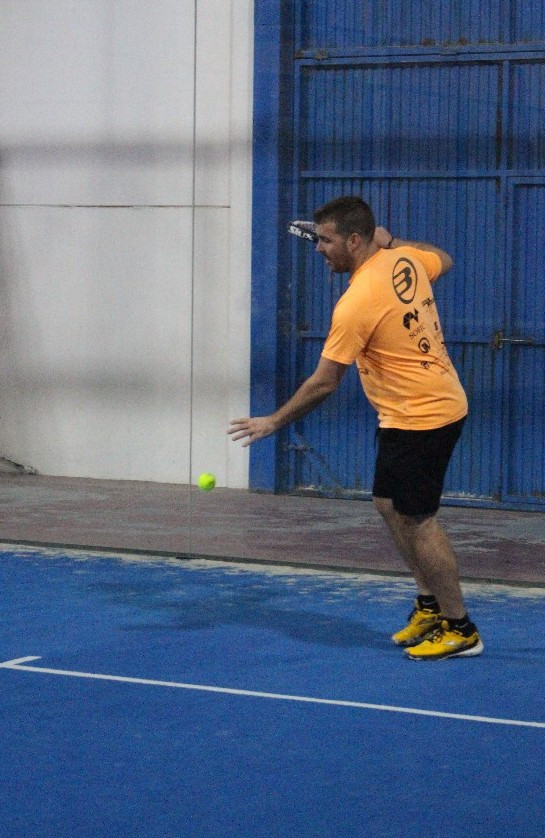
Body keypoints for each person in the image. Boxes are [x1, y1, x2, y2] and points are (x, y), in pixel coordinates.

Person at [229, 196, 483, 661]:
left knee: (418, 520)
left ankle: (460, 627)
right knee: (388, 505)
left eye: (326, 241)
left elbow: (324, 382)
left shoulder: (356, 302)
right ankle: (429, 605)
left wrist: (273, 421)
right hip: (402, 412)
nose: (318, 249)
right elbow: (444, 259)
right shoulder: (403, 258)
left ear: (352, 241)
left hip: (425, 415)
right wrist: (393, 241)